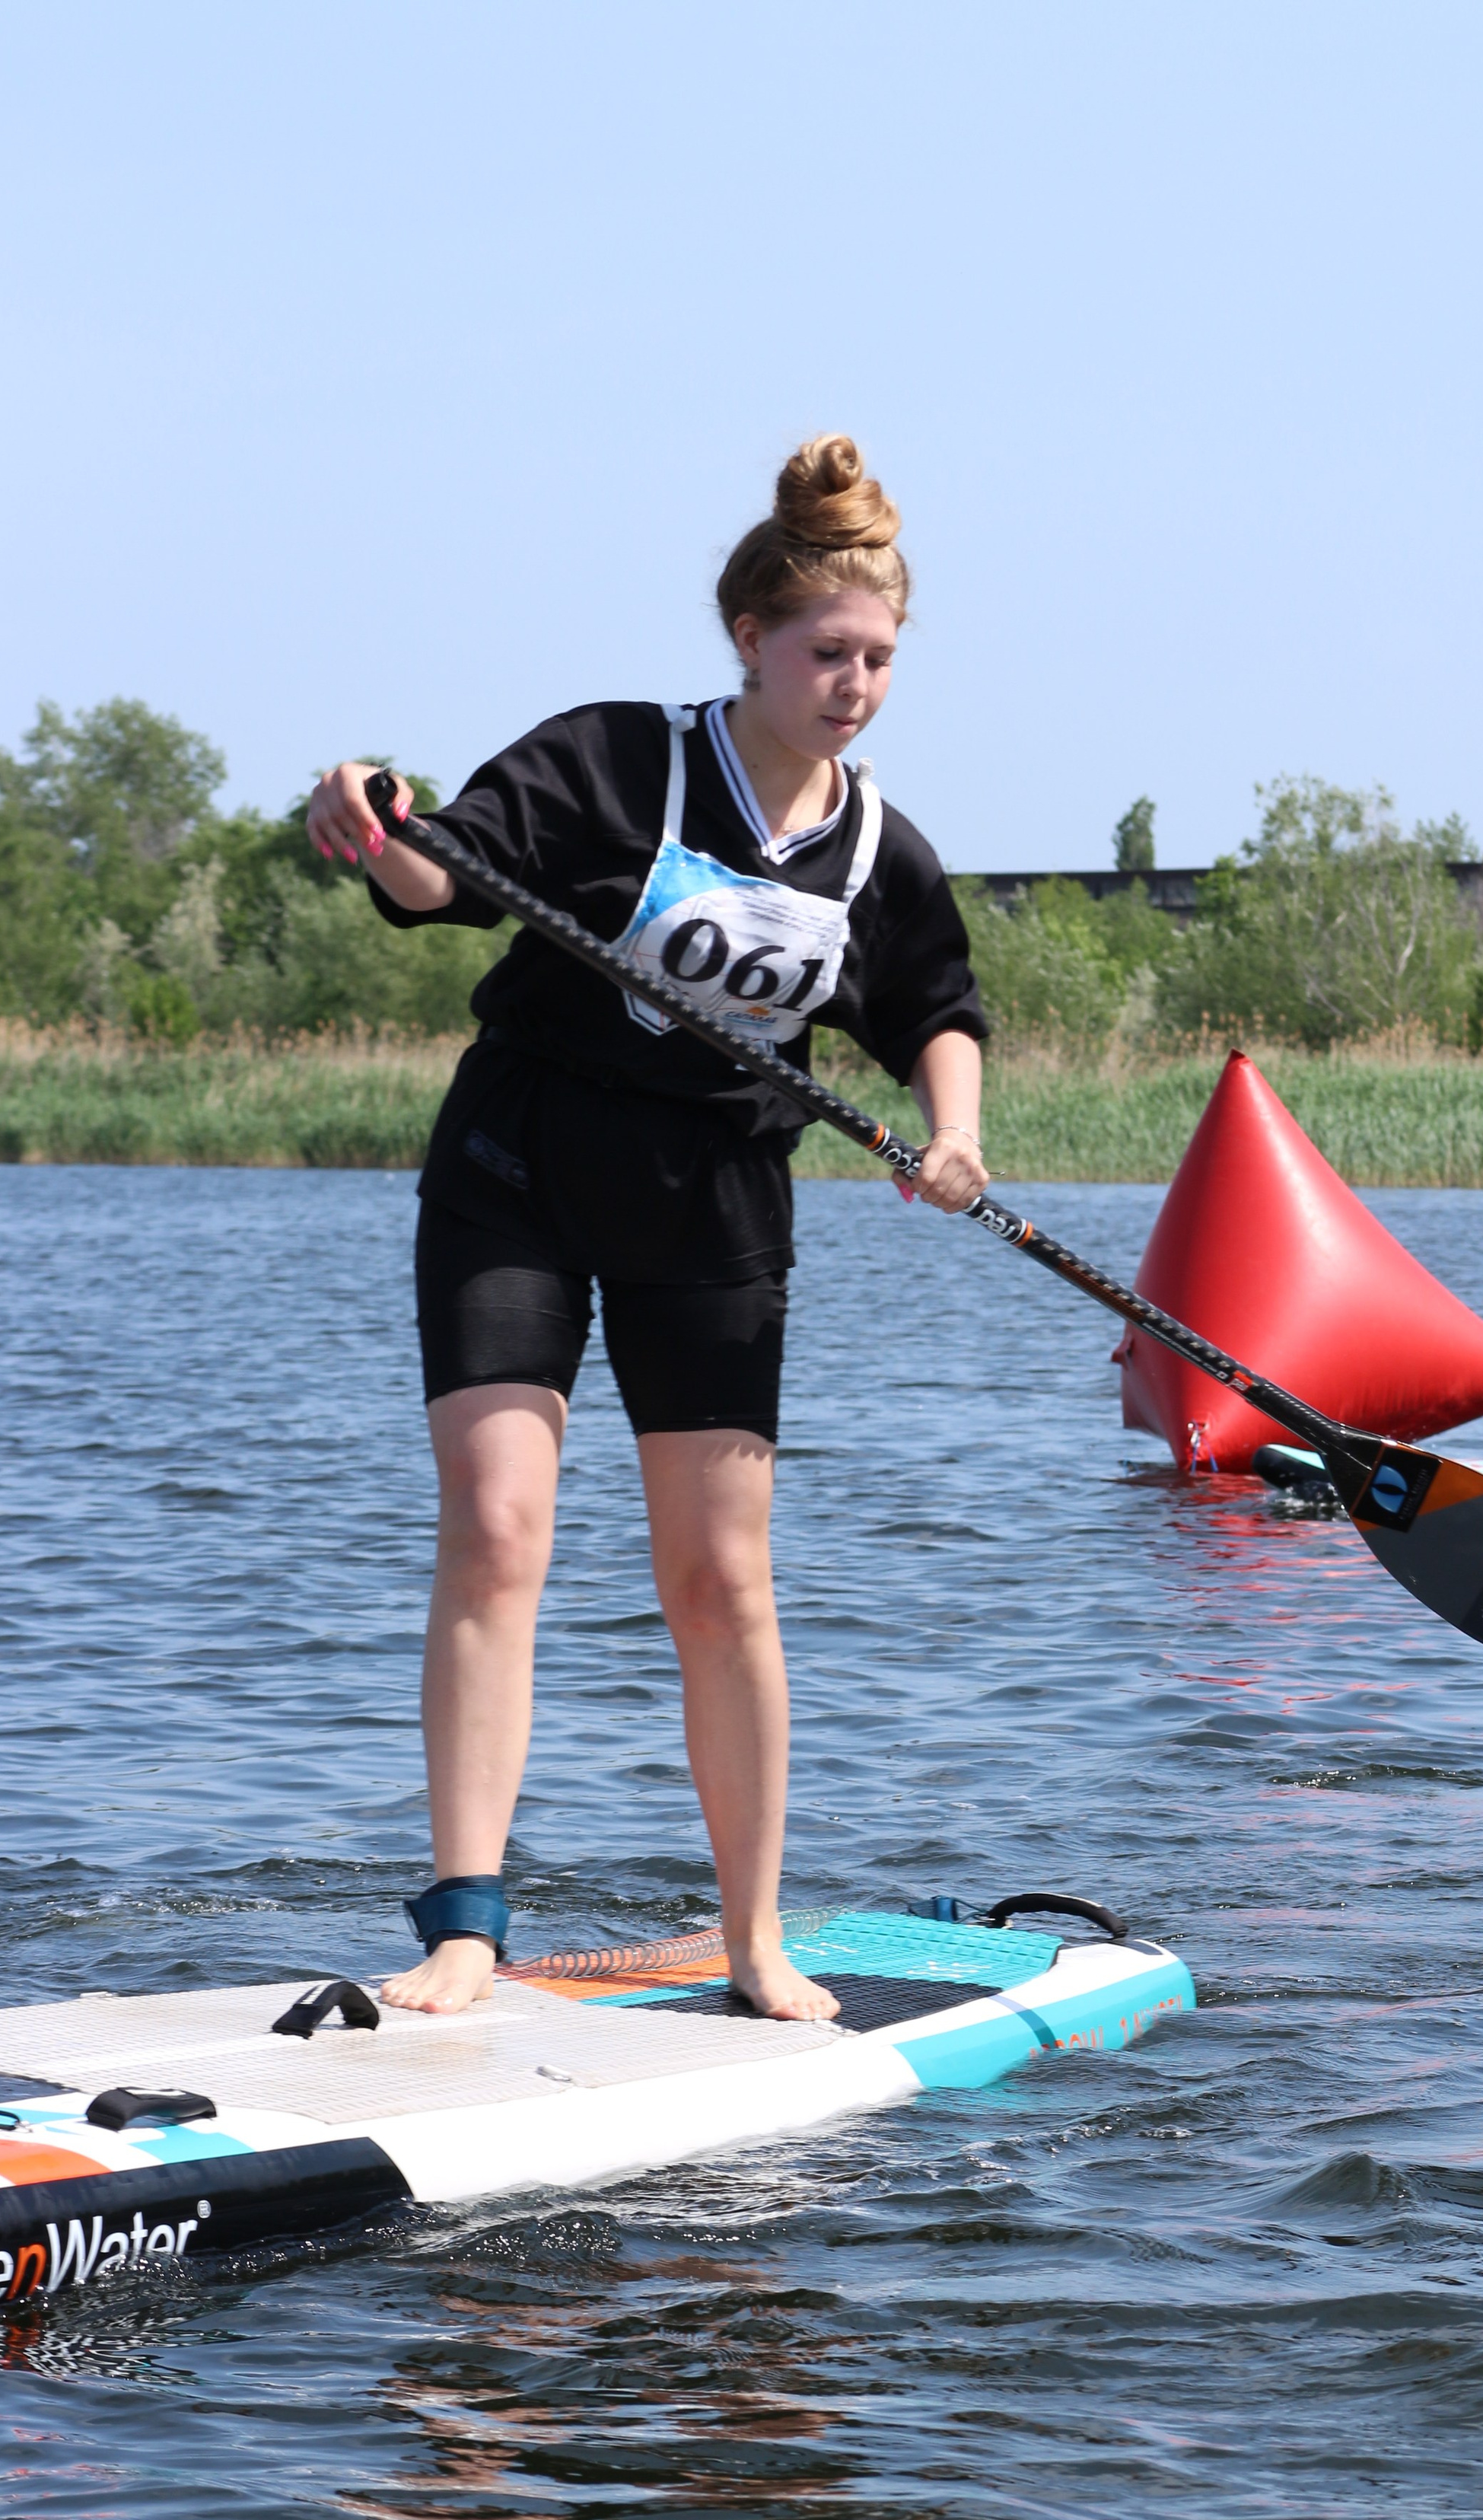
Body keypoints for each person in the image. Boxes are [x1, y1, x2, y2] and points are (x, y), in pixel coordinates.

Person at [304, 436, 989, 2019]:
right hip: (521, 1168)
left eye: (879, 658)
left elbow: (937, 1009)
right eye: (827, 653)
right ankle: (464, 1928)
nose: (855, 686)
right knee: (498, 1527)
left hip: (713, 1207)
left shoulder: (878, 853)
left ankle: (754, 1942)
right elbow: (442, 878)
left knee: (717, 1578)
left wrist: (953, 1135)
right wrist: (375, 823)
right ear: (750, 638)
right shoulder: (613, 759)